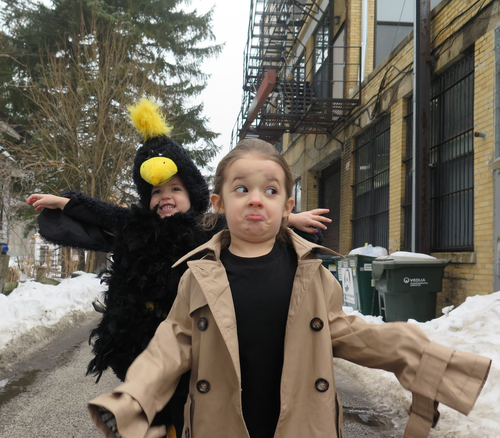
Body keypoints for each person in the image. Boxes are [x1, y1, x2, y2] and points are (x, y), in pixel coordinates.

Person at [87, 138, 491, 438]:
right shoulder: (197, 276)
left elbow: (353, 334)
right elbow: (169, 348)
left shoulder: (312, 275)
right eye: (241, 189)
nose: (256, 200)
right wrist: (134, 398)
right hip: (219, 426)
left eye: (270, 190)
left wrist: (424, 358)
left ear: (287, 206)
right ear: (218, 203)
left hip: (303, 427)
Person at [27, 100, 330, 438]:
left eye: (175, 189)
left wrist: (290, 219)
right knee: (153, 395)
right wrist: (65, 202)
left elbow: (247, 220)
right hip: (144, 340)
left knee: (188, 403)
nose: (165, 197)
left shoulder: (205, 227)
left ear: (193, 195)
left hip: (193, 334)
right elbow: (105, 213)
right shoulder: (137, 227)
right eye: (157, 192)